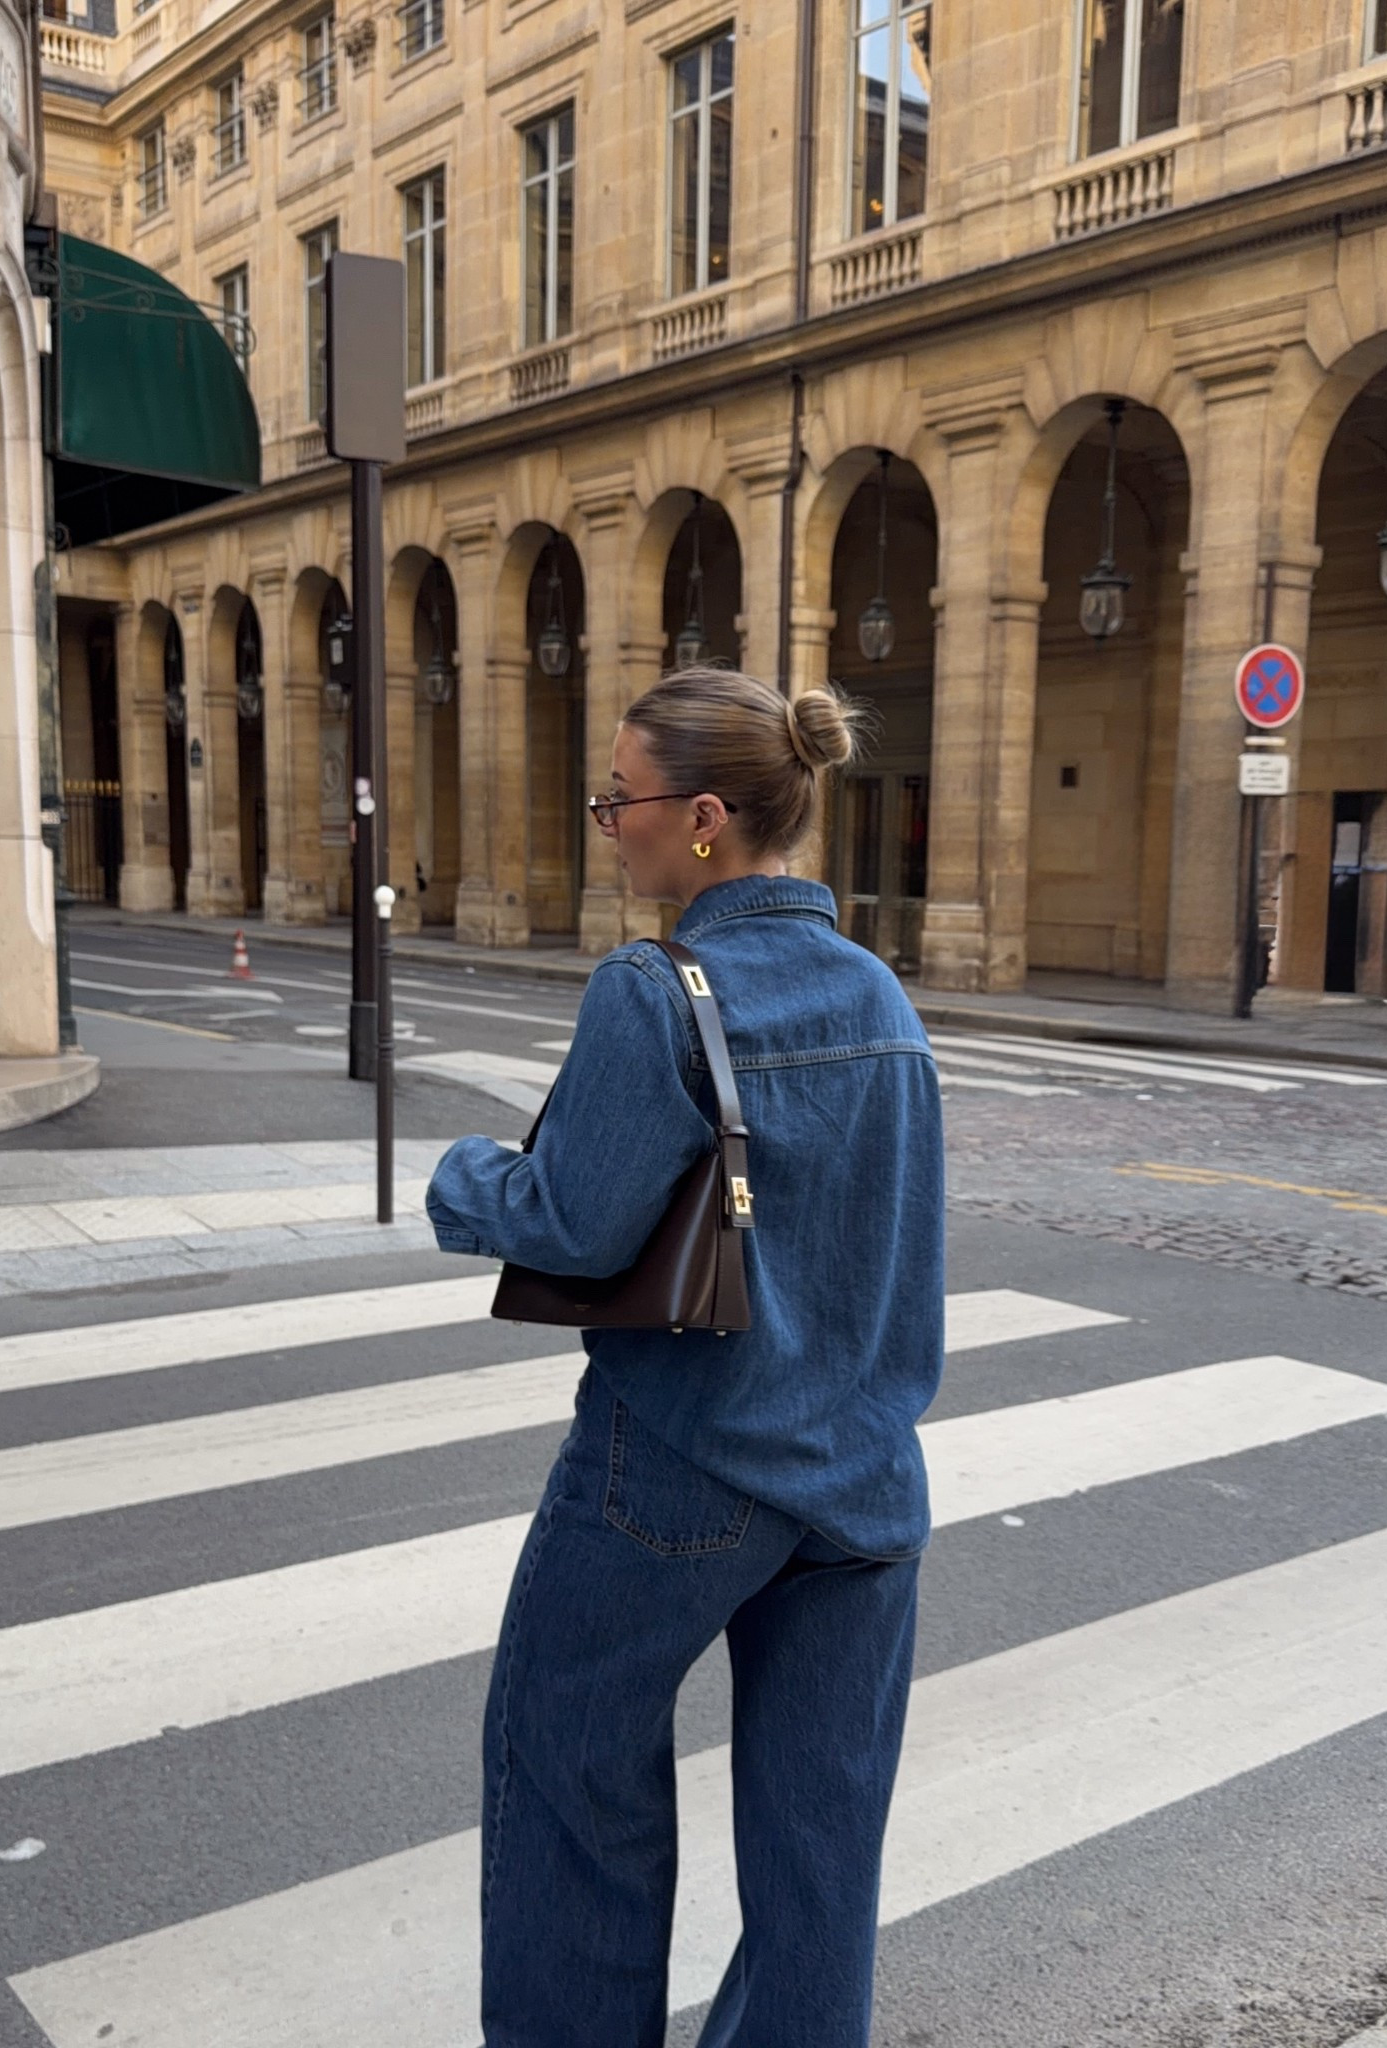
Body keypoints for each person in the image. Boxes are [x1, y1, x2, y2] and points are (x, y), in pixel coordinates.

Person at [426, 666, 946, 2048]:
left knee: (571, 1774)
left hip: (679, 1462)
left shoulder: (653, 990)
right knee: (821, 1849)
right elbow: (898, 1249)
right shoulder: (883, 998)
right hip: (864, 1479)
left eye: (621, 799)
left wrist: (464, 1177)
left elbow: (574, 1223)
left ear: (705, 817)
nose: (609, 824)